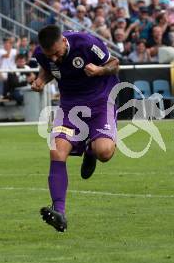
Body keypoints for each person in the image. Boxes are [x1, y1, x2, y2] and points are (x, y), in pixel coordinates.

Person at [32, 25, 120, 232]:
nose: (53, 58)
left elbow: (114, 64)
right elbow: (49, 70)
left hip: (101, 101)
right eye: (49, 55)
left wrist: (100, 70)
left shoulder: (86, 43)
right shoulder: (42, 55)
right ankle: (59, 212)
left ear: (63, 41)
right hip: (70, 106)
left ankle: (90, 150)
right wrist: (40, 80)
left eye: (56, 53)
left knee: (104, 152)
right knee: (56, 150)